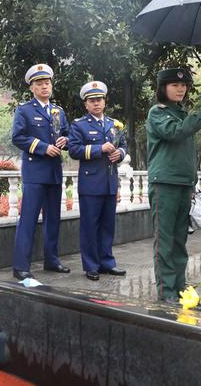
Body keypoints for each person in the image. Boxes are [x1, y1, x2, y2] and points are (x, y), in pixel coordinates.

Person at [146, 68, 201, 304]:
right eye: (174, 85)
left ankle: (179, 286)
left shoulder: (182, 113)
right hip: (164, 185)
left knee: (180, 240)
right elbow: (175, 133)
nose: (180, 89)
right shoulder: (158, 113)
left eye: (184, 85)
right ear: (163, 88)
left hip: (183, 185)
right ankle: (166, 290)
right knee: (165, 240)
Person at [11, 63, 71, 280]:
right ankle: (21, 266)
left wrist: (66, 139)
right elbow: (17, 137)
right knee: (28, 219)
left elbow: (66, 133)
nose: (44, 87)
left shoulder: (59, 111)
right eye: (39, 83)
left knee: (53, 219)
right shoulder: (25, 110)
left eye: (47, 83)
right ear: (32, 88)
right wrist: (44, 147)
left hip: (54, 172)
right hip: (35, 173)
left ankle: (52, 260)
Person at [68, 81, 128, 281]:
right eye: (92, 101)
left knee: (108, 226)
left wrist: (119, 153)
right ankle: (91, 266)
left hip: (110, 181)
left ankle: (107, 263)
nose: (96, 103)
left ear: (105, 101)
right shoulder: (79, 125)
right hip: (91, 183)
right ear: (86, 104)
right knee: (90, 226)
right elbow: (74, 150)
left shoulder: (114, 124)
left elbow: (124, 146)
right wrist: (98, 149)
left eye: (99, 100)